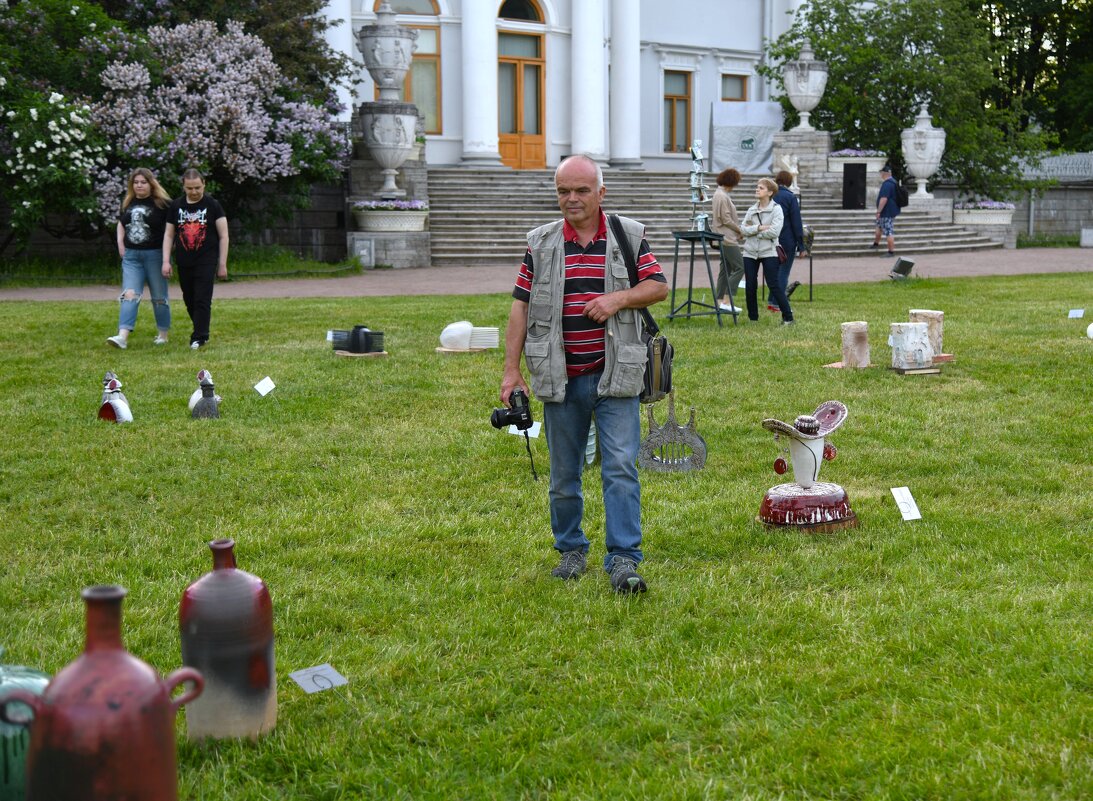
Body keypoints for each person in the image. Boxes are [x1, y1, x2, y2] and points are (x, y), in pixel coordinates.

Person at [500, 155, 668, 594]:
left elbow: (658, 286)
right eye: (563, 191)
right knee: (563, 475)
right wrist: (511, 371)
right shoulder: (540, 243)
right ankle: (571, 550)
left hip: (616, 377)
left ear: (600, 193)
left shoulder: (628, 235)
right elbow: (519, 307)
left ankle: (624, 559)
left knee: (620, 468)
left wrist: (616, 299)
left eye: (581, 190)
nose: (571, 199)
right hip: (560, 378)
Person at [162, 168, 229, 349]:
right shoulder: (176, 206)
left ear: (204, 184)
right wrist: (166, 261)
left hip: (206, 259)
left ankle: (199, 336)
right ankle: (201, 328)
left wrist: (222, 263)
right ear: (183, 186)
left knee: (202, 298)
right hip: (184, 260)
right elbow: (169, 235)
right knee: (189, 298)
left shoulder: (213, 205)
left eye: (197, 187)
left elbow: (224, 235)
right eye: (190, 188)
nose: (194, 192)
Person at [107, 168, 172, 349]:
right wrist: (120, 244)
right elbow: (121, 224)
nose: (139, 186)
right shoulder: (129, 202)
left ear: (151, 184)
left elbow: (171, 230)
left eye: (143, 182)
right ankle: (122, 337)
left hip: (155, 256)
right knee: (129, 295)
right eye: (136, 183)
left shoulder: (163, 204)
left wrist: (167, 258)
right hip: (132, 257)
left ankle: (163, 334)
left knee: (159, 298)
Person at [741, 177, 792, 324]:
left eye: (761, 188)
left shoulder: (777, 209)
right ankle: (753, 318)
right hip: (749, 252)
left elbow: (775, 232)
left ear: (770, 192)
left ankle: (788, 317)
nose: (757, 189)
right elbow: (743, 230)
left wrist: (754, 232)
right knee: (750, 285)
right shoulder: (752, 209)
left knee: (773, 285)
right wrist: (758, 228)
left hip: (769, 251)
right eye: (757, 187)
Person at [710, 167, 744, 313]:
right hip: (727, 238)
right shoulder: (722, 196)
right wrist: (739, 230)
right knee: (740, 267)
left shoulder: (719, 194)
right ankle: (726, 300)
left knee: (725, 270)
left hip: (722, 237)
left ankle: (719, 302)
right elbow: (726, 219)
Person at [772, 170, 808, 305]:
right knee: (784, 271)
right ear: (789, 182)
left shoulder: (770, 196)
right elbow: (796, 223)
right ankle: (777, 301)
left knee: (773, 272)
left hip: (771, 239)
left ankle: (772, 299)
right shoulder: (790, 197)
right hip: (787, 240)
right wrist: (801, 245)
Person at [872, 164, 900, 256]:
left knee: (888, 231)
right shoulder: (894, 182)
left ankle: (891, 252)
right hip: (890, 210)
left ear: (885, 173)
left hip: (886, 212)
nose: (881, 175)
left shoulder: (887, 184)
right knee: (879, 227)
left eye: (881, 173)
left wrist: (879, 211)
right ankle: (876, 244)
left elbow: (884, 199)